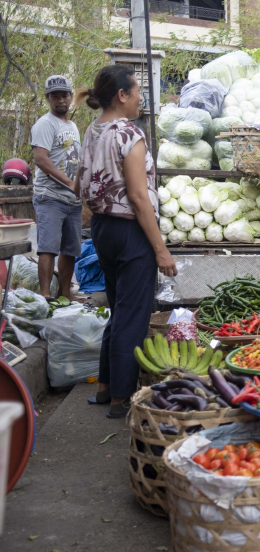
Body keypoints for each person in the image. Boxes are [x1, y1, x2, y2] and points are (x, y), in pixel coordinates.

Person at [76, 65, 177, 419]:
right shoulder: (128, 133)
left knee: (119, 310)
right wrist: (160, 249)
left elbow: (80, 183)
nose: (139, 99)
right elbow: (137, 196)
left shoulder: (92, 129)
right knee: (133, 315)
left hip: (103, 229)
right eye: (136, 92)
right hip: (131, 231)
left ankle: (105, 388)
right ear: (122, 95)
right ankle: (121, 398)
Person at [29, 75, 83, 299]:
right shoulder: (45, 124)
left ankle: (64, 295)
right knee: (48, 247)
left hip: (72, 199)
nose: (60, 100)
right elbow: (41, 159)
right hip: (50, 196)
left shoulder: (72, 126)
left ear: (70, 97)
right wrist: (71, 183)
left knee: (70, 250)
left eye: (64, 95)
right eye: (55, 96)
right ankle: (45, 297)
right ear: (48, 99)